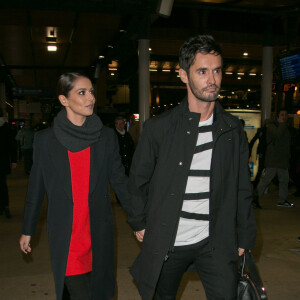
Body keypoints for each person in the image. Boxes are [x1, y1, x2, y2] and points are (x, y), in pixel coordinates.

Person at [128, 35, 256, 300]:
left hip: (216, 240)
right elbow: (137, 180)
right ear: (184, 75)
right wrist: (139, 221)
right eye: (202, 71)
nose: (213, 79)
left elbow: (243, 188)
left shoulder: (232, 129)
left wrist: (245, 235)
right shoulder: (159, 128)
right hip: (170, 240)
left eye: (217, 70)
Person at [19, 73, 131, 300]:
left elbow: (120, 181)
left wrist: (140, 220)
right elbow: (36, 189)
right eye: (82, 92)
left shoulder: (106, 137)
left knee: (100, 293)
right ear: (64, 100)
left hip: (97, 234)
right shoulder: (46, 140)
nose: (90, 97)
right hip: (67, 238)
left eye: (91, 91)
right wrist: (27, 229)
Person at [254, 109, 294, 207]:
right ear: (277, 117)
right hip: (273, 159)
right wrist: (282, 125)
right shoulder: (273, 126)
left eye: (285, 115)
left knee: (284, 180)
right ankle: (253, 198)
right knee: (266, 180)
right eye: (282, 115)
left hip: (282, 160)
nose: (284, 117)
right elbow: (278, 135)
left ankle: (282, 200)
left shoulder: (285, 127)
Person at [0, 109, 17, 218]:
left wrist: (14, 160)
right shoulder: (6, 127)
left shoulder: (6, 128)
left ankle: (4, 206)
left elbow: (12, 145)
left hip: (2, 161)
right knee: (2, 185)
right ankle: (4, 207)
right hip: (3, 161)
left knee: (2, 185)